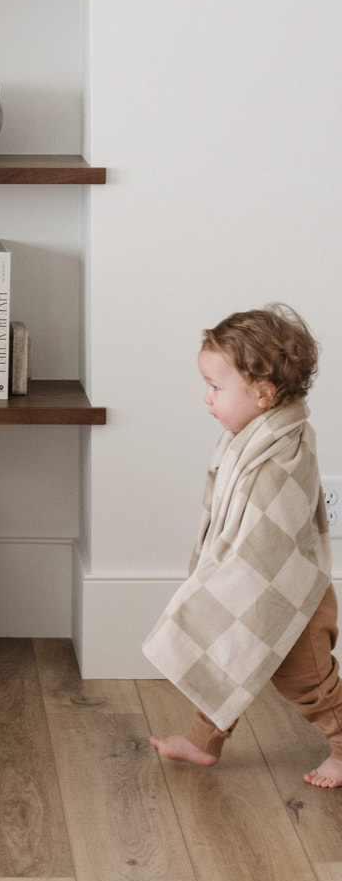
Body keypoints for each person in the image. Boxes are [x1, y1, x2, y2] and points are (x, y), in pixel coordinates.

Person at [143, 304, 342, 788]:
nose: (206, 398)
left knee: (310, 685)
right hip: (255, 586)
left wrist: (226, 579)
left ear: (263, 392)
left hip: (291, 598)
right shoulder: (255, 435)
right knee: (226, 655)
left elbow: (273, 540)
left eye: (215, 387)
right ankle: (203, 739)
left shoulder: (281, 454)